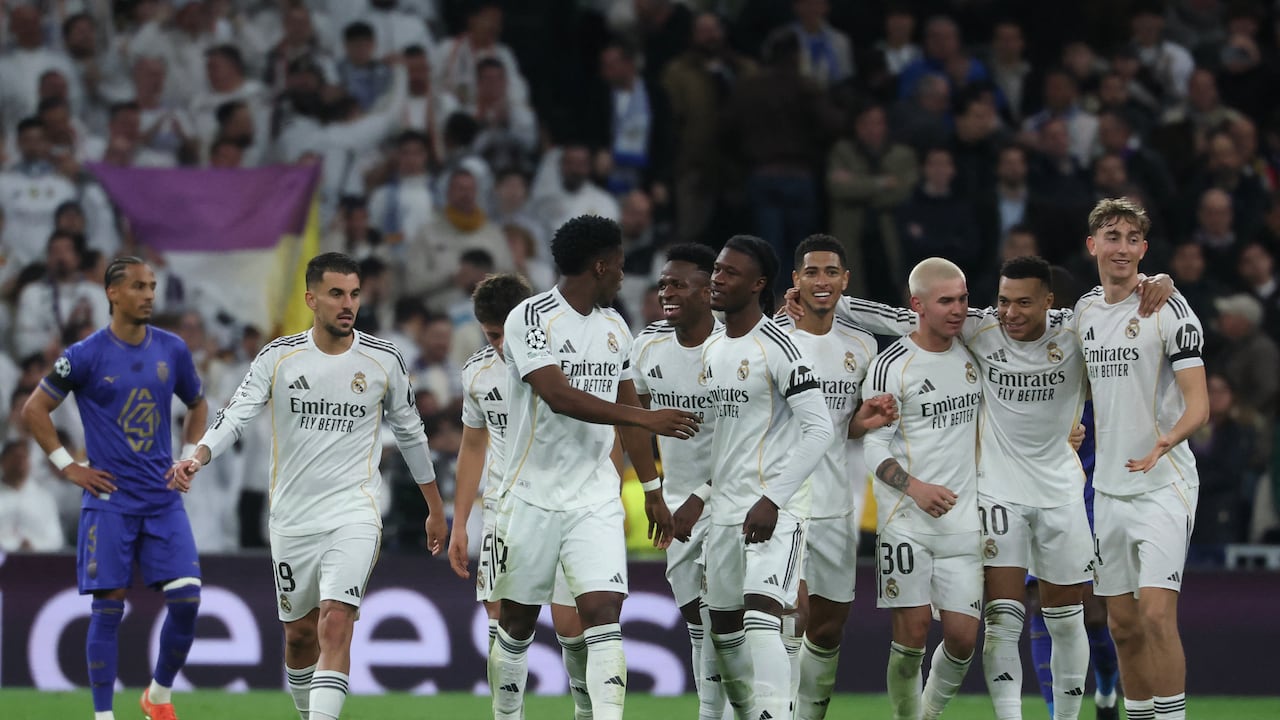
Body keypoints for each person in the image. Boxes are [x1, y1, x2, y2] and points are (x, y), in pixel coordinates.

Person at [170, 252, 448, 720]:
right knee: (300, 637)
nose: (348, 304)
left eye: (354, 294)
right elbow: (236, 414)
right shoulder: (279, 357)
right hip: (292, 517)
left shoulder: (383, 360)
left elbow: (412, 435)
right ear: (311, 299)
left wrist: (434, 507)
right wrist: (199, 453)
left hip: (354, 511)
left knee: (336, 622)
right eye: (336, 293)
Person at [487, 215, 700, 720]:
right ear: (600, 266)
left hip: (595, 496)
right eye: (620, 266)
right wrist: (646, 416)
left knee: (603, 612)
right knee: (516, 623)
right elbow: (558, 396)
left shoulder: (614, 325)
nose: (624, 277)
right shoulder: (529, 318)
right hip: (531, 494)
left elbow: (625, 405)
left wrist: (652, 488)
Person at [23, 255, 209, 720]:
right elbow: (34, 409)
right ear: (112, 293)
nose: (148, 295)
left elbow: (198, 404)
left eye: (152, 287)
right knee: (108, 608)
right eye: (139, 287)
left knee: (187, 600)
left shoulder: (172, 348)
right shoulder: (85, 355)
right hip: (110, 502)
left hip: (162, 498)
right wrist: (69, 467)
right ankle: (103, 716)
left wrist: (188, 456)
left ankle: (158, 696)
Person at [1073, 198, 1208, 720]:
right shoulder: (1084, 311)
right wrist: (1069, 424)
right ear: (1093, 245)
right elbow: (1074, 380)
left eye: (1133, 239)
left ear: (1144, 249)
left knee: (1154, 616)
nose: (1123, 247)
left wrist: (1166, 442)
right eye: (1113, 236)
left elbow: (1199, 404)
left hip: (1163, 486)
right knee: (1123, 627)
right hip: (1108, 490)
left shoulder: (1169, 309)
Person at [694, 235, 834, 720]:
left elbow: (820, 429)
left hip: (775, 511)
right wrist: (702, 495)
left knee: (761, 617)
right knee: (724, 634)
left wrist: (773, 499)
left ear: (757, 285)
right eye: (716, 268)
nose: (717, 278)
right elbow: (729, 439)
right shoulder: (713, 347)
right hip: (725, 512)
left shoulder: (781, 348)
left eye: (729, 273)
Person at [447, 272, 593, 720]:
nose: (499, 344)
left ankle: (587, 710)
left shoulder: (569, 360)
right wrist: (459, 524)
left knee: (573, 629)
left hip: (568, 504)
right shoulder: (476, 372)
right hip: (505, 511)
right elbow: (473, 447)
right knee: (502, 622)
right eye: (491, 335)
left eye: (504, 333)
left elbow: (598, 429)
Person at [773, 234, 895, 720]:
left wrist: (863, 422)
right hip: (782, 502)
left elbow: (844, 427)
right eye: (811, 272)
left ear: (845, 280)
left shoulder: (862, 345)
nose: (821, 281)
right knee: (790, 616)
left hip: (836, 504)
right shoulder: (773, 338)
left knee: (826, 629)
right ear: (796, 280)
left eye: (830, 272)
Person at [863, 257, 982, 720]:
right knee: (911, 636)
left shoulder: (973, 352)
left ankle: (927, 713)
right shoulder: (891, 365)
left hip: (963, 519)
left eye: (963, 299)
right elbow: (873, 446)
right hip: (906, 521)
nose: (958, 310)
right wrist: (915, 488)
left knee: (963, 639)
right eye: (946, 301)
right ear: (917, 305)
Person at [628, 242, 727, 719]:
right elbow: (632, 420)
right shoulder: (647, 345)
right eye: (663, 283)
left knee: (728, 617)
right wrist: (653, 490)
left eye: (678, 284)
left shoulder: (735, 347)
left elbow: (755, 439)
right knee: (695, 618)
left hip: (735, 500)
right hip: (676, 503)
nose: (666, 292)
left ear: (708, 291)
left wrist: (702, 496)